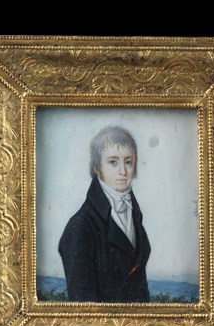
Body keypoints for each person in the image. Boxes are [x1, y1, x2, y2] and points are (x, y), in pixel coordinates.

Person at [59, 125, 151, 303]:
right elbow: (82, 303)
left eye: (128, 162)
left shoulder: (135, 214)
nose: (123, 171)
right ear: (96, 166)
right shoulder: (79, 226)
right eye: (113, 162)